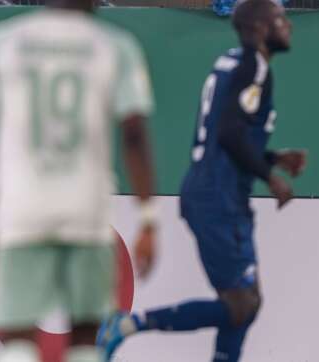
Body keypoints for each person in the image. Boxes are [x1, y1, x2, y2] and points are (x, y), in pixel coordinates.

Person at [99, 1, 306, 361]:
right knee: (241, 304)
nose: (287, 24)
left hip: (219, 192)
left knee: (245, 303)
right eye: (278, 19)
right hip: (217, 197)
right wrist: (269, 176)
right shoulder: (252, 68)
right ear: (258, 29)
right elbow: (229, 133)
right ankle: (130, 325)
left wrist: (274, 157)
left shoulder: (234, 64)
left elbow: (225, 134)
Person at [0, 0, 157, 361]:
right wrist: (147, 216)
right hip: (87, 208)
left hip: (24, 206)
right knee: (85, 337)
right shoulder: (115, 45)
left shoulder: (3, 41)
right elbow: (134, 136)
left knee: (17, 337)